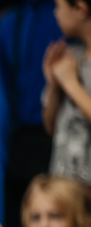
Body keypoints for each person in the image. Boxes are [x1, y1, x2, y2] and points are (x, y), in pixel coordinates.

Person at [0, 0, 61, 227]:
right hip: (21, 138)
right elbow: (6, 82)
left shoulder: (68, 17)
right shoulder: (10, 23)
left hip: (64, 141)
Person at [43, 0, 91, 185]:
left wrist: (71, 84)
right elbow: (50, 126)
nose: (55, 13)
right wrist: (54, 85)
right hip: (64, 186)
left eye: (58, 6)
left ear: (80, 8)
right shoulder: (70, 58)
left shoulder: (69, 73)